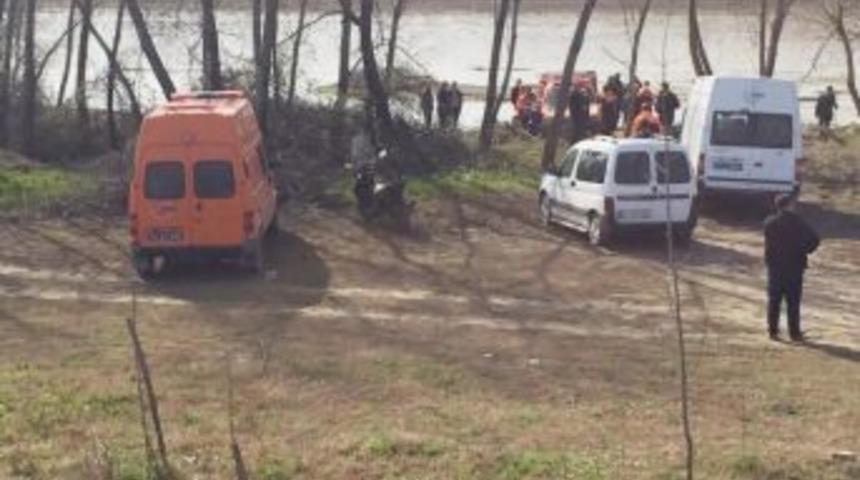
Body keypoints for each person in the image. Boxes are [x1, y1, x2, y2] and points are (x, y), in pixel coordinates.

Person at [764, 194, 820, 342]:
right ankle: (794, 333)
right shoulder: (799, 222)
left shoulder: (769, 223)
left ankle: (773, 331)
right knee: (793, 301)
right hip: (794, 266)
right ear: (789, 205)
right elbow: (815, 239)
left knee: (774, 300)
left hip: (775, 267)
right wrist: (805, 249)